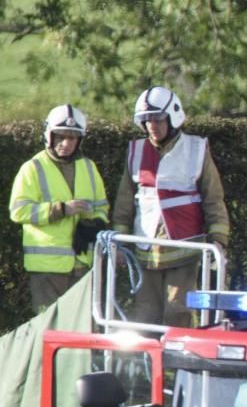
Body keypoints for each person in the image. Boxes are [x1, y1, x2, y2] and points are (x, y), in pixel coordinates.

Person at [111, 86, 230, 328]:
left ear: (172, 117)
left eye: (157, 119)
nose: (152, 125)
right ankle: (148, 365)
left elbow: (213, 197)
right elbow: (125, 199)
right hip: (145, 249)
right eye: (146, 120)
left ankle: (181, 366)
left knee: (178, 311)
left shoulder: (196, 149)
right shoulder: (135, 151)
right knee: (144, 316)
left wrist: (219, 239)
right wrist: (120, 242)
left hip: (183, 248)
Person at [8, 104, 109, 314]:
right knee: (50, 328)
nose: (65, 143)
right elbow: (18, 211)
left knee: (81, 327)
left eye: (72, 138)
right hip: (47, 267)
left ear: (79, 140)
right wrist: (60, 209)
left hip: (82, 263)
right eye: (60, 137)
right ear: (49, 136)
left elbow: (101, 206)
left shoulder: (89, 167)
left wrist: (94, 224)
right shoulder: (32, 168)